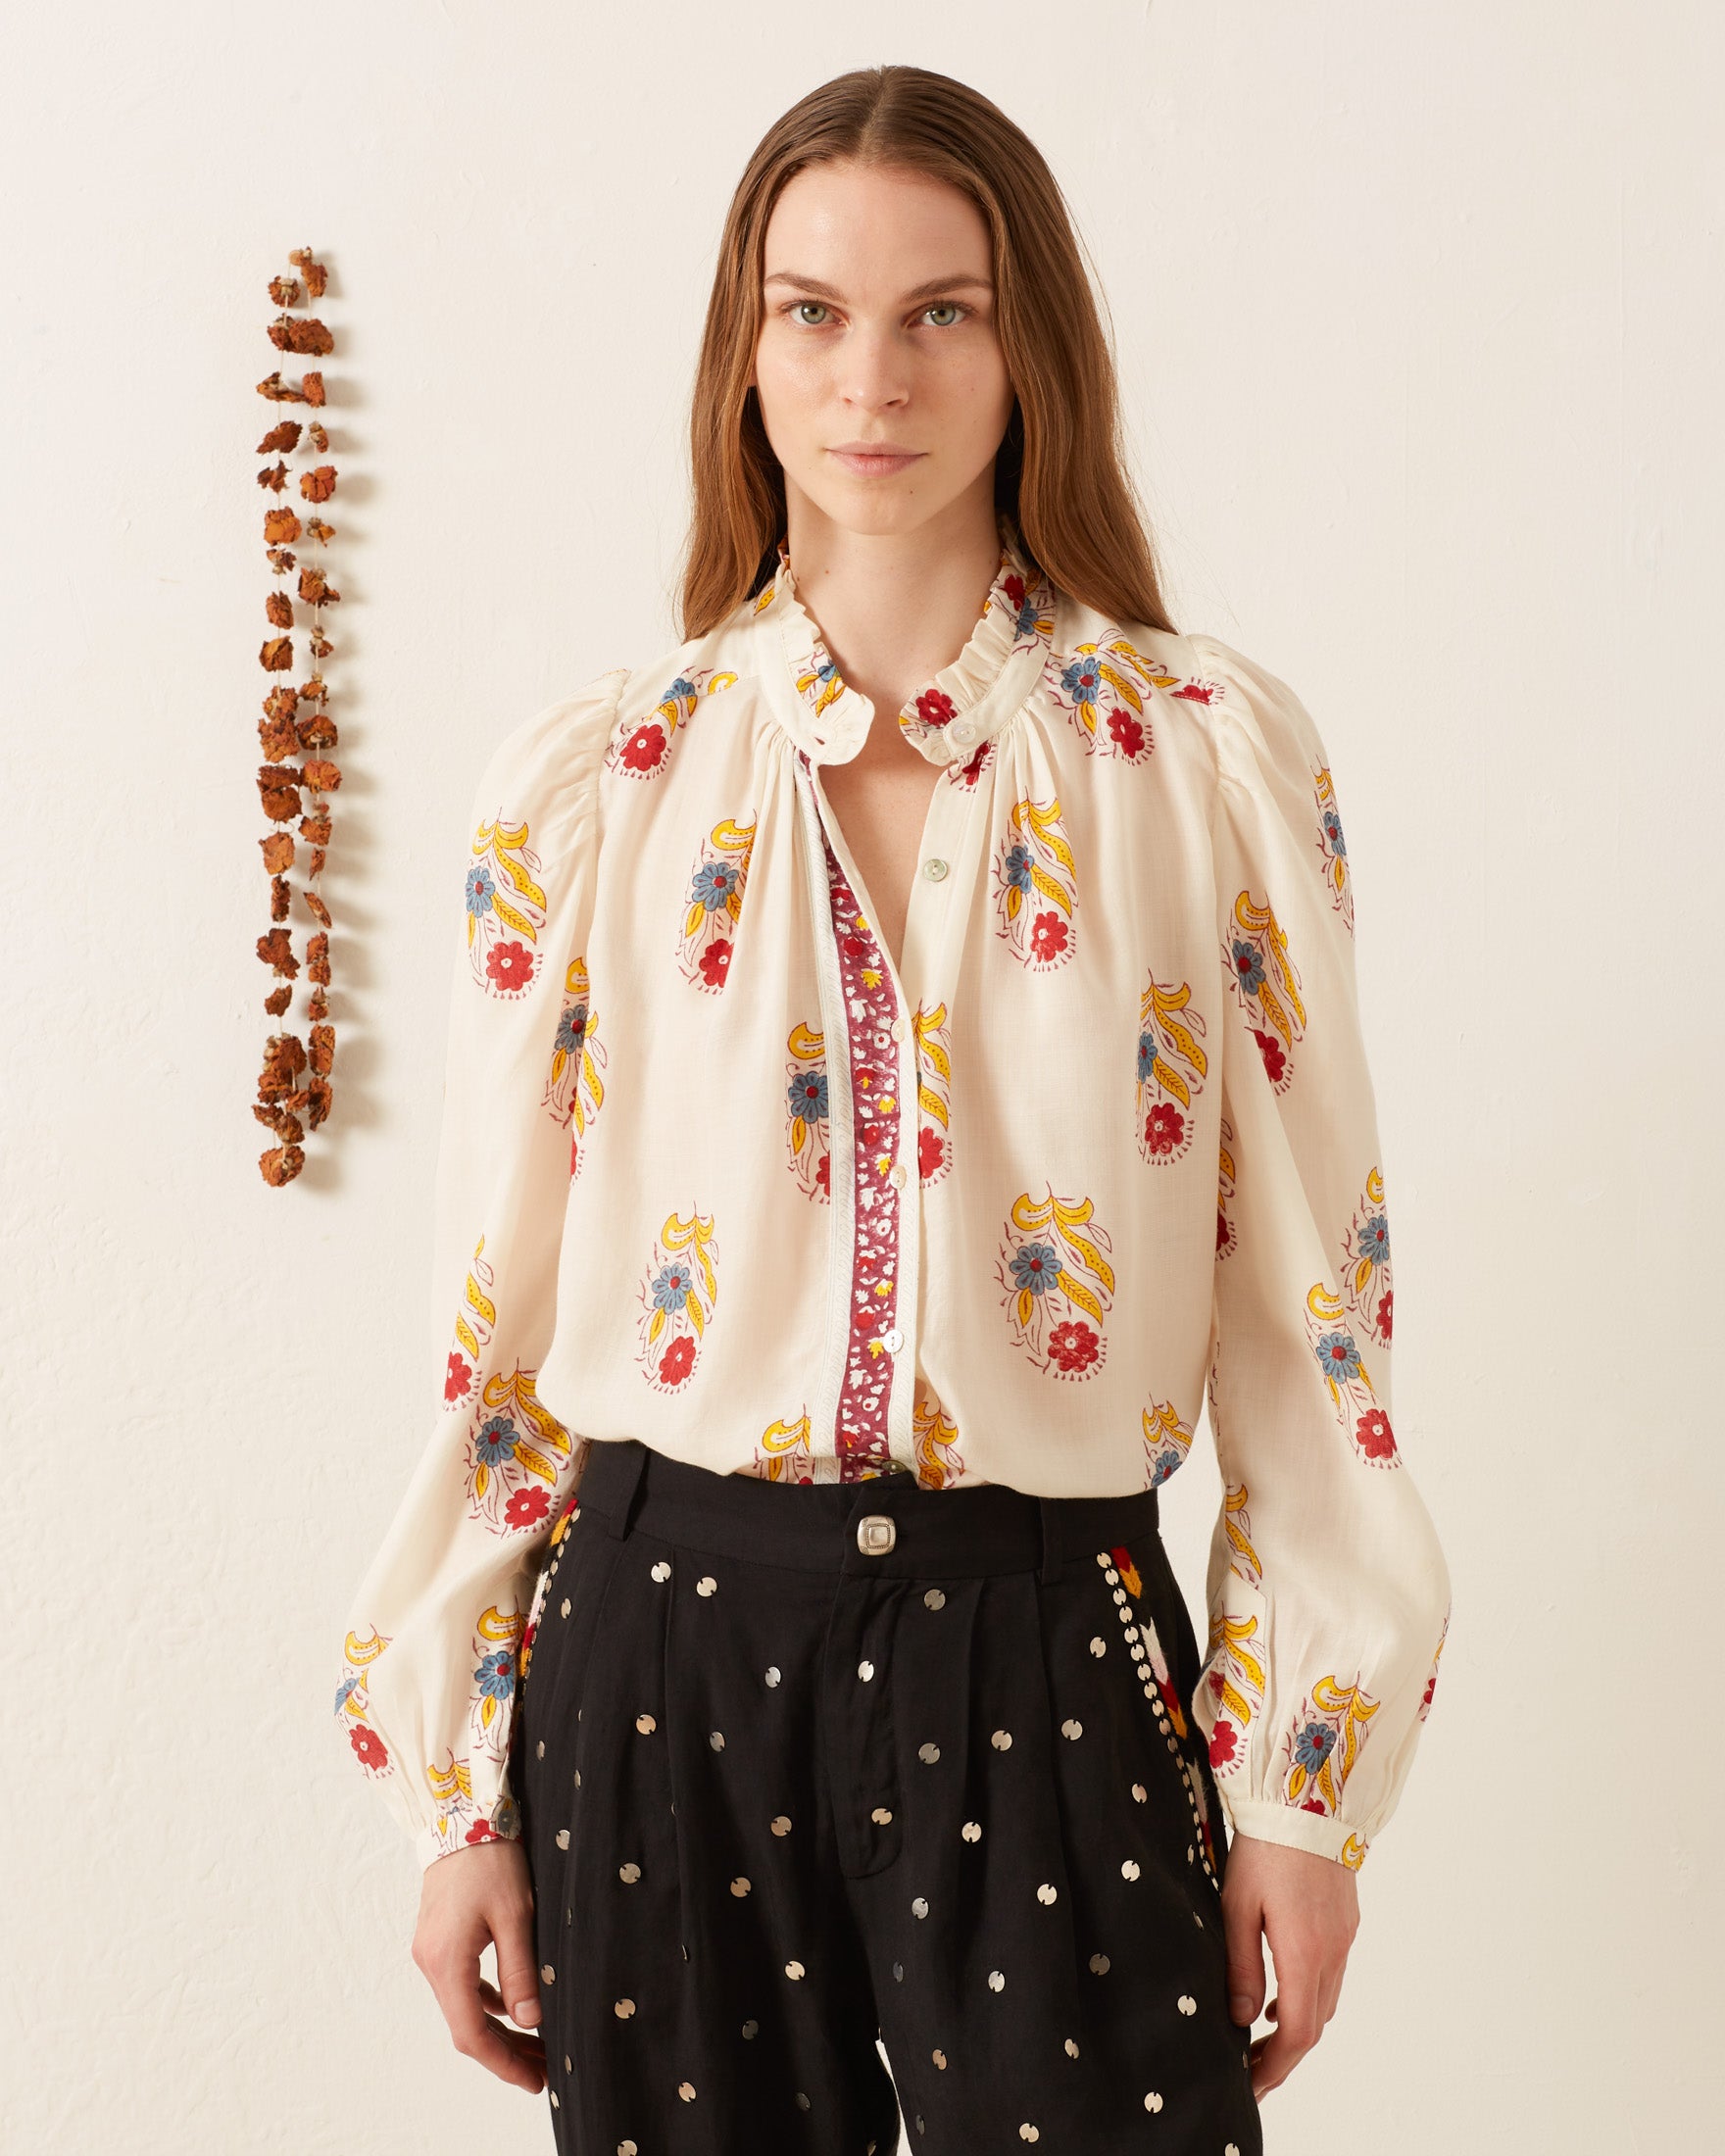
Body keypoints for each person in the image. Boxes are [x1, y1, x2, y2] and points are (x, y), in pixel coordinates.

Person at [333, 63, 1452, 2153]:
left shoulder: (1196, 761)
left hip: (1046, 1644)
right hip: (652, 1657)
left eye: (941, 309)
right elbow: (496, 1326)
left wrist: (1306, 1783)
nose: (873, 376)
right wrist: (453, 1779)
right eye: (811, 312)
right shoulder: (602, 783)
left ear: (1030, 346)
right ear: (741, 353)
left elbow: (1308, 1313)